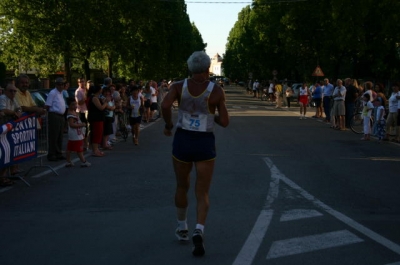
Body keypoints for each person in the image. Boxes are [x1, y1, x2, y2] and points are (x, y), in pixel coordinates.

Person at [161, 51, 229, 257]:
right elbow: (225, 122)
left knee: (182, 185)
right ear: (208, 68)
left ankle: (182, 227)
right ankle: (199, 229)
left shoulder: (178, 86)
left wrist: (168, 124)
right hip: (204, 143)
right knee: (202, 191)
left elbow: (164, 105)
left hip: (183, 140)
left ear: (190, 68)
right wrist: (211, 116)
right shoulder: (216, 90)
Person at [0, 84, 23, 186]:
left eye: (15, 91)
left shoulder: (13, 99)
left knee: (8, 152)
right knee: (4, 152)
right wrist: (14, 113)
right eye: (11, 91)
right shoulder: (2, 98)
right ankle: (2, 177)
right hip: (2, 129)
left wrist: (18, 112)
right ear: (5, 91)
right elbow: (3, 110)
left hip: (8, 129)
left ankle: (5, 175)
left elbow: (19, 108)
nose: (13, 93)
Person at [65, 98, 91, 167]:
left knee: (70, 148)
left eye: (75, 104)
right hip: (75, 134)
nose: (75, 106)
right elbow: (72, 124)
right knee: (79, 149)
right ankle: (83, 161)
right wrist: (81, 125)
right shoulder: (70, 114)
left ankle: (68, 161)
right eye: (72, 105)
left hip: (77, 133)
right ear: (69, 105)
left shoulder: (74, 112)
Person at [45, 78, 66, 161]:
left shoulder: (61, 93)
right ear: (56, 85)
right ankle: (52, 154)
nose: (60, 86)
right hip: (54, 115)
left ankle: (58, 152)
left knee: (60, 136)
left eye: (62, 84)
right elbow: (48, 105)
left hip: (60, 115)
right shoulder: (52, 93)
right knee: (54, 135)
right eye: (59, 84)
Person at [87, 84, 109, 157]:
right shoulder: (94, 98)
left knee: (99, 133)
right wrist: (106, 102)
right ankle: (95, 150)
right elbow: (101, 108)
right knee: (96, 133)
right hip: (96, 118)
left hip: (98, 118)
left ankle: (96, 149)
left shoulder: (96, 97)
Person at [74, 77, 89, 150]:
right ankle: (83, 145)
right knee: (83, 128)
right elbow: (79, 103)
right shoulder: (78, 91)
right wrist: (85, 98)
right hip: (81, 111)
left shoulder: (86, 90)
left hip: (87, 110)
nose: (82, 83)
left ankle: (86, 144)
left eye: (83, 81)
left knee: (87, 128)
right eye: (80, 82)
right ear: (78, 83)